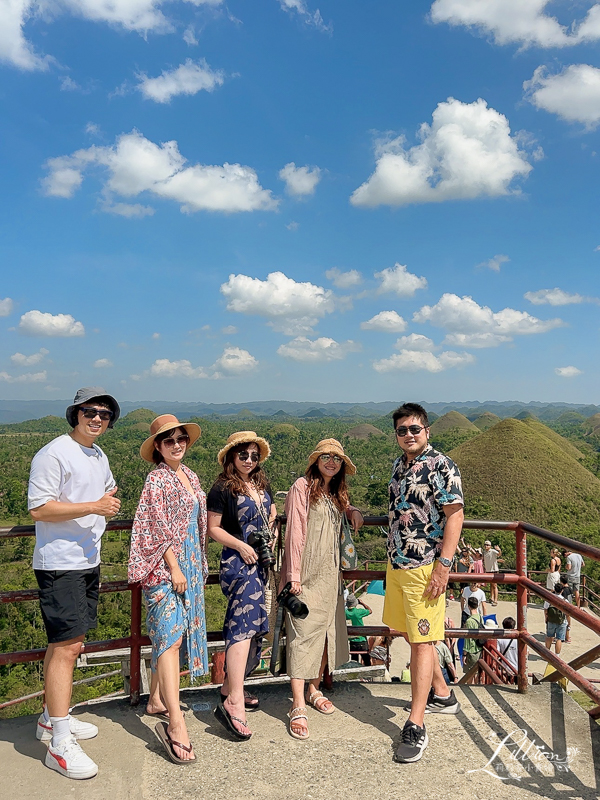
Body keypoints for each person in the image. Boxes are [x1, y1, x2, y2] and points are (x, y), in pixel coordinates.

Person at [28, 387, 121, 780]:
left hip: (87, 560)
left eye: (104, 413)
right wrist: (94, 507)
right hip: (60, 564)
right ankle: (60, 744)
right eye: (90, 411)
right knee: (66, 648)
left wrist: (103, 503)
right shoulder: (54, 453)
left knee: (70, 642)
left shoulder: (97, 454)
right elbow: (39, 507)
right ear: (75, 414)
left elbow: (109, 489)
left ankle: (51, 719)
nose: (97, 418)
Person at [383, 402, 464, 763]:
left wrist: (443, 566)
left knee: (421, 642)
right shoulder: (398, 467)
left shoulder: (441, 465)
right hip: (398, 565)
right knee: (410, 633)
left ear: (427, 431)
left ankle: (416, 724)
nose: (409, 435)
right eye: (402, 430)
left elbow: (455, 515)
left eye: (415, 429)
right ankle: (443, 694)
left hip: (425, 568)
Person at [128, 414, 208, 764]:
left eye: (181, 438)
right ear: (158, 448)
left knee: (175, 636)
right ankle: (175, 724)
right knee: (170, 637)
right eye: (169, 440)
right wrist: (175, 566)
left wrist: (191, 565)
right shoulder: (156, 480)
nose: (177, 444)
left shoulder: (189, 476)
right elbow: (154, 527)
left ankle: (158, 700)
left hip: (188, 563)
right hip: (165, 567)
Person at [281, 438, 364, 740]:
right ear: (316, 460)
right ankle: (298, 703)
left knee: (326, 633)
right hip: (304, 574)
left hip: (331, 576)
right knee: (302, 635)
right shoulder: (301, 488)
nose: (332, 462)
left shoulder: (336, 493)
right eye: (326, 457)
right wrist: (293, 577)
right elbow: (294, 534)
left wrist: (352, 509)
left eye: (337, 458)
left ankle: (314, 689)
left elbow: (342, 511)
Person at [207, 432, 277, 740]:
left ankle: (229, 689)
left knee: (255, 625)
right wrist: (241, 546)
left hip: (259, 563)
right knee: (242, 627)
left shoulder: (261, 483)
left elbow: (270, 511)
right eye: (243, 455)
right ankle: (233, 701)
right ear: (231, 457)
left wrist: (271, 524)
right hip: (238, 564)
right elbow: (213, 529)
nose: (249, 460)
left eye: (253, 456)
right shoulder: (222, 487)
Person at [345, 593, 372, 665]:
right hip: (361, 639)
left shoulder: (345, 613)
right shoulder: (358, 612)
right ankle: (368, 676)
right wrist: (362, 603)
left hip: (352, 641)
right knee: (367, 661)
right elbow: (370, 611)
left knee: (354, 662)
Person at [462, 596, 484, 680]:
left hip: (471, 650)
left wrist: (464, 654)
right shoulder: (480, 617)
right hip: (479, 649)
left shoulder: (469, 621)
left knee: (469, 675)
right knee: (477, 674)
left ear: (469, 606)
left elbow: (468, 640)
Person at [544, 583, 568, 654]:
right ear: (562, 590)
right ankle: (557, 655)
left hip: (551, 620)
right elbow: (567, 613)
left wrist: (546, 618)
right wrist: (569, 623)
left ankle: (547, 653)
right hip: (561, 621)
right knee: (559, 639)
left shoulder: (549, 598)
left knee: (549, 636)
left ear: (554, 589)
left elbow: (545, 609)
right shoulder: (565, 601)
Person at [483, 540, 502, 606]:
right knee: (491, 585)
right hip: (488, 570)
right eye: (485, 545)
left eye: (487, 545)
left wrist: (499, 550)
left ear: (490, 546)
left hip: (494, 570)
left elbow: (499, 554)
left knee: (494, 585)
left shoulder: (493, 551)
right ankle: (491, 597)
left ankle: (495, 600)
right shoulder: (484, 552)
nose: (486, 546)